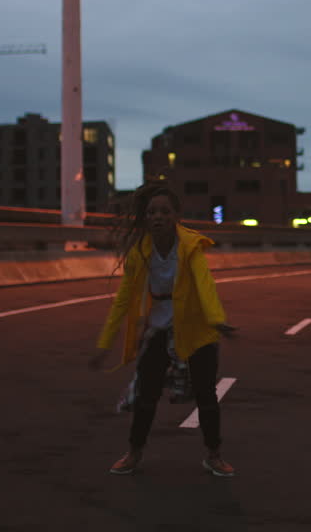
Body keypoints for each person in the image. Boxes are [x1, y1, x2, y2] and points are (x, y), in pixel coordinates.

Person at [89, 183, 237, 476]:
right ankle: (134, 452)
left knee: (206, 395)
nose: (158, 217)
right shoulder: (140, 253)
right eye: (152, 212)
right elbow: (122, 300)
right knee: (147, 394)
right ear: (146, 218)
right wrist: (104, 344)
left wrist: (217, 319)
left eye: (165, 212)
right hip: (158, 329)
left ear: (177, 216)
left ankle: (213, 454)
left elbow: (205, 285)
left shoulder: (190, 246)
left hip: (195, 329)